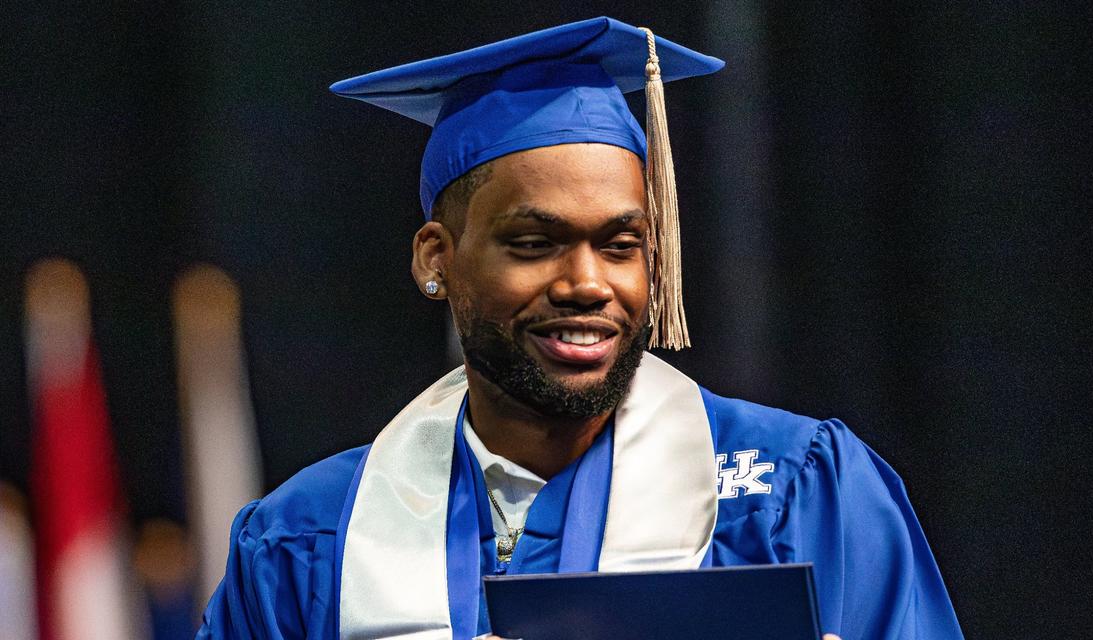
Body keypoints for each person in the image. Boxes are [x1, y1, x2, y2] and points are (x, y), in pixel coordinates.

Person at [196, 17, 963, 640]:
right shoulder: (307, 540)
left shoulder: (796, 492)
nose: (589, 284)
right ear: (438, 259)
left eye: (621, 245)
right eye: (534, 244)